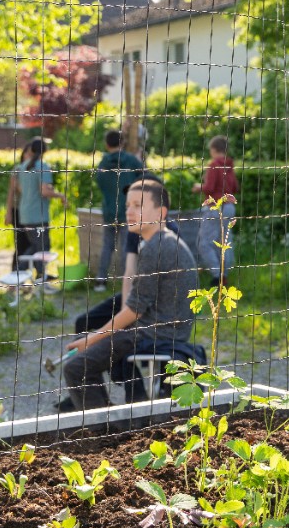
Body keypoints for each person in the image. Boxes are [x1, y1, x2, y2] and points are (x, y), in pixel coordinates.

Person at [58, 179, 204, 411]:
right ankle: (115, 418)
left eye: (138, 205)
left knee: (76, 368)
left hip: (154, 332)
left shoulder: (158, 247)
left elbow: (134, 310)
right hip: (159, 327)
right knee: (90, 341)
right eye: (128, 206)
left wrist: (91, 339)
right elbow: (136, 301)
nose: (130, 211)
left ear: (161, 212)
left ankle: (105, 432)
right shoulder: (160, 242)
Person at [6, 137, 64, 280]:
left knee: (36, 246)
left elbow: (20, 189)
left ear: (31, 150)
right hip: (38, 214)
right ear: (45, 151)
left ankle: (38, 275)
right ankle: (18, 273)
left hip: (25, 213)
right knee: (43, 247)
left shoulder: (22, 167)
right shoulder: (42, 166)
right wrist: (61, 195)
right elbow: (43, 191)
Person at [93, 129, 144, 292]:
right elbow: (144, 176)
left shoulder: (103, 164)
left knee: (107, 246)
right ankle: (126, 280)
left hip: (109, 211)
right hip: (128, 210)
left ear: (106, 144)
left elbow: (99, 181)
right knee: (126, 247)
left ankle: (100, 280)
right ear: (122, 143)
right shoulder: (130, 160)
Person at [191, 134, 239, 286]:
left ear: (213, 149)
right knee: (224, 240)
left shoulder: (214, 165)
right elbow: (236, 188)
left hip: (216, 207)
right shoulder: (229, 165)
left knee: (204, 242)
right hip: (230, 207)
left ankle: (217, 274)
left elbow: (210, 187)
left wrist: (199, 187)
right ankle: (225, 273)